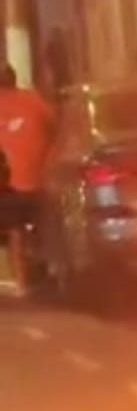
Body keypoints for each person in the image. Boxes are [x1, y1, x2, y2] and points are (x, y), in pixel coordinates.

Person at [0, 64, 54, 293]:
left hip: (9, 188)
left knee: (14, 229)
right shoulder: (35, 101)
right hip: (40, 181)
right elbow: (54, 128)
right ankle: (47, 270)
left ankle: (21, 281)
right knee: (40, 225)